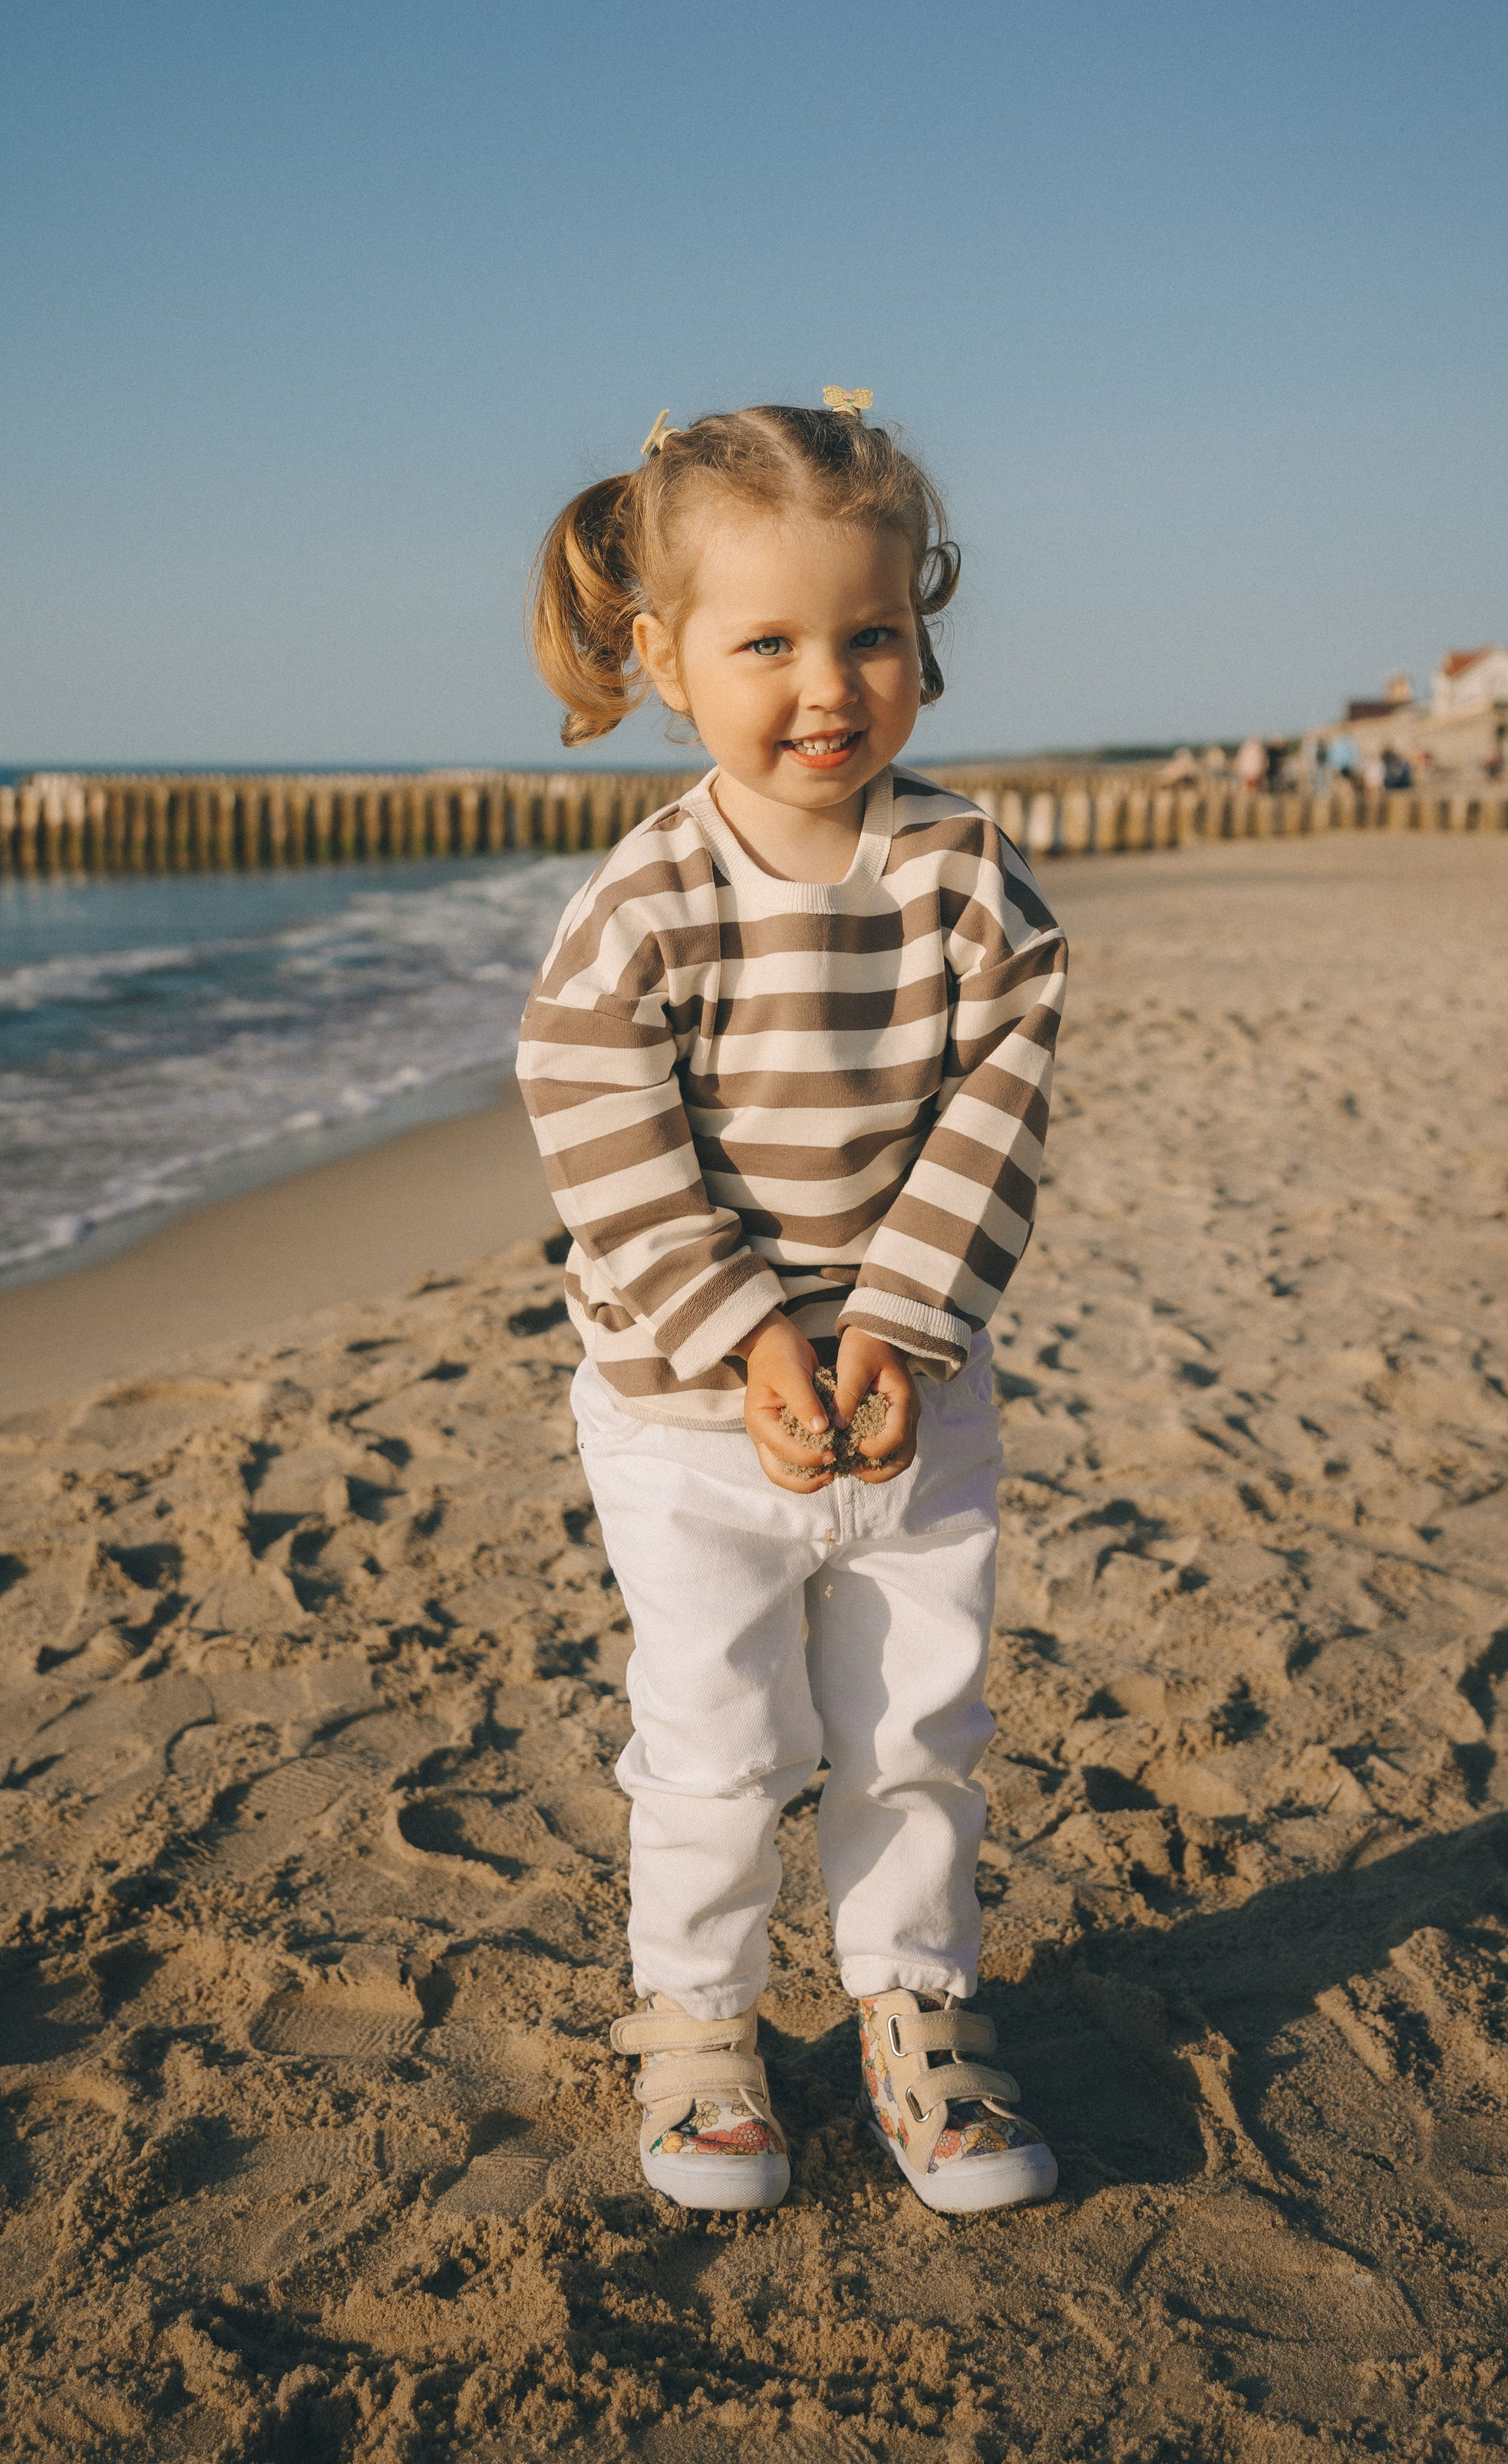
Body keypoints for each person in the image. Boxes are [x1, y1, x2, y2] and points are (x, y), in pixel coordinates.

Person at [516, 398, 1067, 2221]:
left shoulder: (968, 879)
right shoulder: (650, 903)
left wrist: (898, 1328)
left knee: (916, 1720)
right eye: (766, 643)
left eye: (871, 633)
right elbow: (609, 1140)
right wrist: (753, 1334)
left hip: (916, 1379)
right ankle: (694, 2018)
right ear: (664, 662)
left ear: (922, 630)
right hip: (690, 1409)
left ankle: (912, 2004)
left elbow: (993, 1105)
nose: (825, 683)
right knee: (717, 1732)